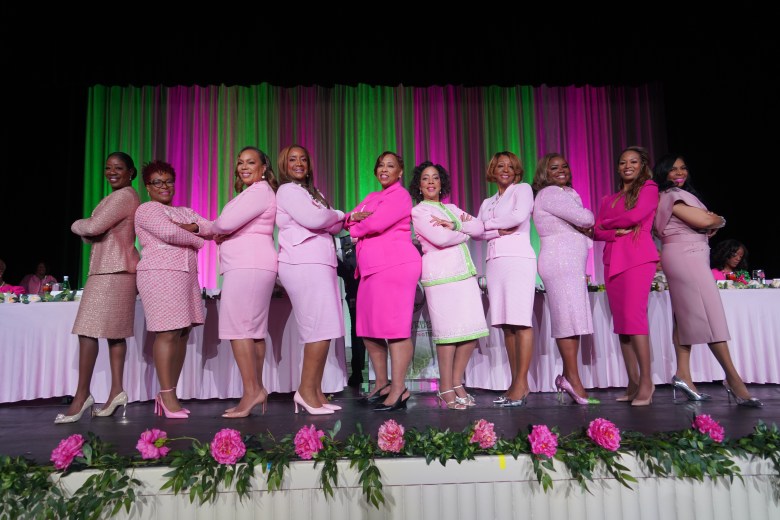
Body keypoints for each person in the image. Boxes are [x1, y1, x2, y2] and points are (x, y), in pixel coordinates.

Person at [653, 154, 761, 406]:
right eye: (673, 169)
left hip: (685, 255)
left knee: (683, 316)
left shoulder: (673, 196)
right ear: (663, 173)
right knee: (711, 316)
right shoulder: (671, 195)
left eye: (683, 168)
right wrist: (719, 220)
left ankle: (683, 374)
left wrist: (711, 222)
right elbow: (704, 220)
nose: (679, 173)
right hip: (686, 257)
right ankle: (733, 379)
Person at [55, 152, 140, 424]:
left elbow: (93, 227)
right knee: (115, 334)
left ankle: (82, 396)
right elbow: (95, 233)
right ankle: (116, 391)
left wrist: (76, 224)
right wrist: (91, 231)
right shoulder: (125, 196)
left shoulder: (123, 196)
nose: (111, 172)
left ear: (131, 172)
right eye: (108, 167)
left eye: (118, 168)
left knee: (87, 330)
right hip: (117, 270)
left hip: (111, 271)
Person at [135, 160, 213, 418]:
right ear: (148, 187)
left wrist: (192, 227)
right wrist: (198, 240)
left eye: (168, 181)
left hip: (186, 275)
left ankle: (170, 392)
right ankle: (166, 395)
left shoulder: (185, 211)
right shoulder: (147, 209)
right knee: (168, 332)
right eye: (157, 182)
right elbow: (169, 234)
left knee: (182, 332)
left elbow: (211, 227)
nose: (164, 186)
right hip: (160, 274)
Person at [345, 151, 421, 411]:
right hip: (370, 269)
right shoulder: (372, 196)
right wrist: (352, 219)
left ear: (400, 172)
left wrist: (356, 225)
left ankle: (399, 388)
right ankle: (382, 383)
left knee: (395, 329)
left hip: (395, 266)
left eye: (391, 165)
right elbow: (349, 217)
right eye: (381, 165)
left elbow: (373, 224)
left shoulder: (400, 195)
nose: (384, 169)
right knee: (368, 329)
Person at [410, 161, 488, 410]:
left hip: (464, 274)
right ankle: (445, 387)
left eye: (435, 177)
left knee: (471, 331)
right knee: (448, 335)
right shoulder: (419, 211)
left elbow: (480, 227)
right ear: (419, 186)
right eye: (425, 178)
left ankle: (456, 382)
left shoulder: (452, 208)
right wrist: (464, 233)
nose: (431, 182)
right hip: (441, 276)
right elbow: (440, 238)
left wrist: (455, 225)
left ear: (441, 182)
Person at [276, 144, 345, 415]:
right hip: (302, 262)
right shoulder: (287, 190)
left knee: (326, 328)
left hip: (320, 262)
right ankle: (305, 392)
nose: (299, 163)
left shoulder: (314, 193)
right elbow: (316, 219)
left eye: (303, 159)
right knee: (317, 328)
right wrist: (338, 214)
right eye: (292, 159)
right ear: (284, 165)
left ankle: (315, 390)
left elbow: (333, 226)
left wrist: (331, 219)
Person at [212, 146, 278, 418]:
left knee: (238, 329)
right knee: (252, 331)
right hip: (253, 264)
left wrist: (215, 229)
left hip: (248, 265)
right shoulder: (253, 192)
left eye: (251, 162)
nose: (244, 167)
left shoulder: (260, 191)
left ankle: (252, 391)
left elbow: (224, 223)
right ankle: (255, 389)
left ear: (264, 168)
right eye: (240, 162)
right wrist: (219, 229)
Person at [593, 146, 659, 406]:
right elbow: (596, 231)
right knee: (622, 324)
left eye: (633, 162)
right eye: (623, 162)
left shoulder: (648, 188)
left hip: (637, 258)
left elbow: (636, 215)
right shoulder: (608, 199)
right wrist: (612, 230)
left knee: (634, 319)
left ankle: (647, 382)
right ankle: (633, 382)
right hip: (612, 261)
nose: (627, 166)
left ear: (642, 166)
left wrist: (608, 223)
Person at [531, 153, 599, 405]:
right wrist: (584, 217)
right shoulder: (550, 193)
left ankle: (569, 376)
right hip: (561, 262)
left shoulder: (565, 193)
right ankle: (572, 379)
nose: (561, 170)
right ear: (544, 173)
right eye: (554, 168)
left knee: (572, 319)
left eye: (564, 166)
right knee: (568, 320)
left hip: (568, 262)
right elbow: (587, 218)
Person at [472, 151, 536, 407]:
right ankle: (515, 383)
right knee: (507, 325)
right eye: (501, 166)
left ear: (517, 170)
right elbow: (476, 231)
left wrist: (487, 225)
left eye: (510, 166)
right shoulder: (487, 201)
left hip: (517, 259)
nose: (506, 170)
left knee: (520, 321)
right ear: (493, 170)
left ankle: (521, 383)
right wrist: (497, 230)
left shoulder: (522, 189)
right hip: (495, 262)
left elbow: (518, 217)